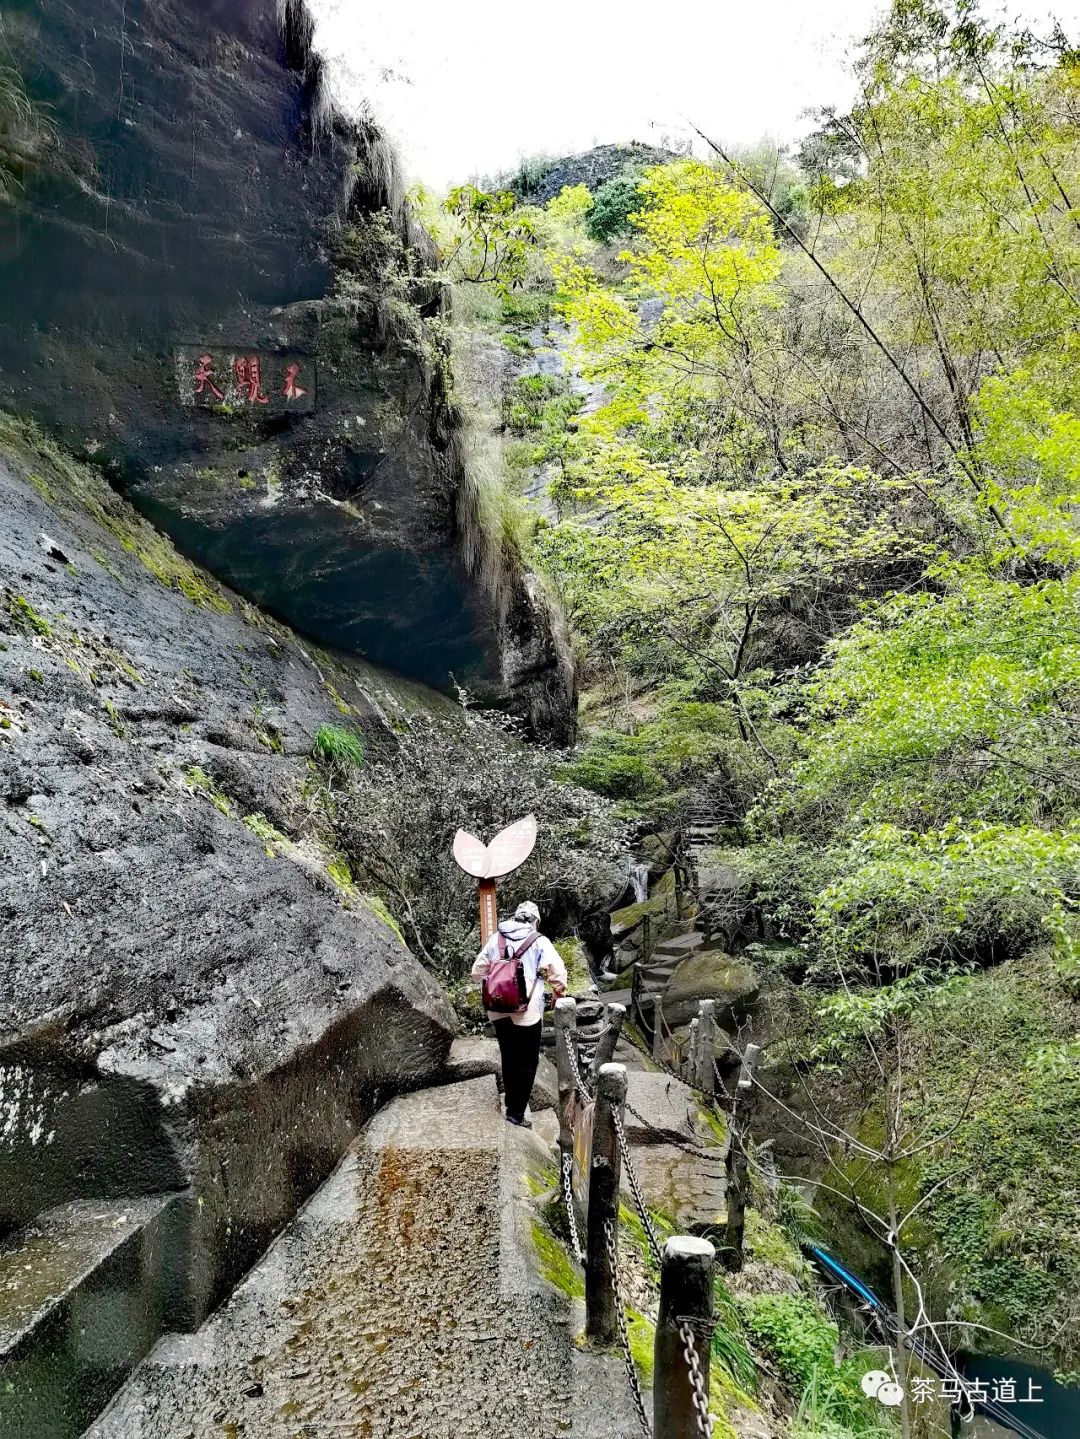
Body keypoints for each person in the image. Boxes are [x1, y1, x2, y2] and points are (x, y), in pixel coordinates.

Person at [471, 900, 568, 1129]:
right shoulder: (538, 940)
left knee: (509, 1056)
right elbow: (558, 971)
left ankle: (511, 1105)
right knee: (527, 1061)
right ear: (535, 921)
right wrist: (559, 992)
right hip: (526, 1012)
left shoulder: (497, 939)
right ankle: (516, 1113)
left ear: (515, 918)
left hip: (498, 1009)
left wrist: (500, 977)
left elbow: (477, 972)